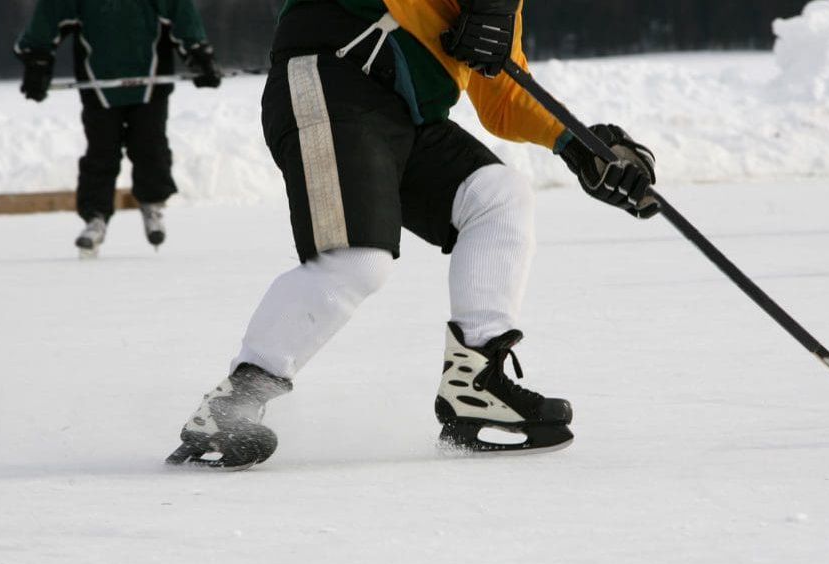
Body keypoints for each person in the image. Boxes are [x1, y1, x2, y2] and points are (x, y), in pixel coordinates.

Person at [165, 0, 660, 470]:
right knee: (356, 262)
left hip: (407, 115)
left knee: (499, 195)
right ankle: (229, 407)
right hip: (333, 75)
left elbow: (501, 92)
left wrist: (578, 143)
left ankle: (476, 386)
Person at [14, 0, 223, 256]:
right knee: (101, 152)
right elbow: (50, 15)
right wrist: (38, 59)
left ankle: (153, 204)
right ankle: (95, 217)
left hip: (150, 79)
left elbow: (181, 13)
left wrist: (198, 54)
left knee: (150, 146)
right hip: (99, 81)